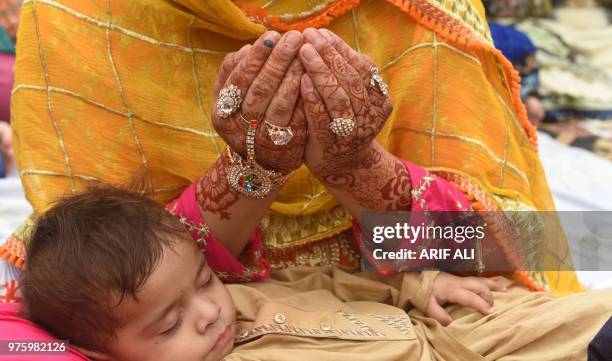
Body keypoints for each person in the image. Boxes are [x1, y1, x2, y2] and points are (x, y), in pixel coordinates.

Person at [13, 187, 612, 361]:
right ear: (107, 355)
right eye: (169, 327)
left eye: (202, 282)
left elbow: (332, 281)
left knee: (586, 317)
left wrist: (424, 284)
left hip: (454, 334)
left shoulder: (244, 299)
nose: (208, 314)